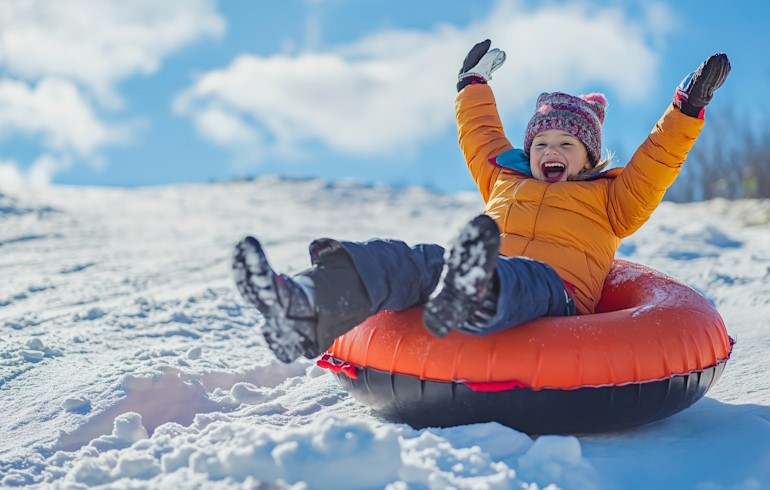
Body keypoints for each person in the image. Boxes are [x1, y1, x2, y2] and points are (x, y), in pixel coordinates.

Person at [232, 40, 730, 364]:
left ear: (589, 156)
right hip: (477, 266)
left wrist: (686, 109)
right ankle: (303, 303)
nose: (549, 152)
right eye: (540, 144)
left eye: (565, 144)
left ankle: (474, 287)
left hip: (552, 295)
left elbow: (657, 161)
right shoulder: (503, 179)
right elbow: (481, 134)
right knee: (414, 260)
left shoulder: (612, 199)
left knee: (519, 276)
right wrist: (473, 84)